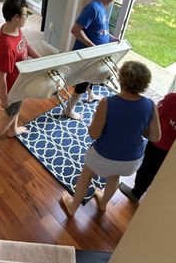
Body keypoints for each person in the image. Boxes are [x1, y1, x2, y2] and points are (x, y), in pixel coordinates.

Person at [61, 61, 161, 216]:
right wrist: (138, 129)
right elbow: (155, 136)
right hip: (131, 161)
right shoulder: (150, 104)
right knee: (114, 177)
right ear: (145, 84)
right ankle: (103, 203)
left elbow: (93, 134)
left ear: (121, 80)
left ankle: (73, 206)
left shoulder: (107, 102)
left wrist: (95, 119)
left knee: (86, 175)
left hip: (103, 156)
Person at [0, 0, 40, 153]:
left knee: (15, 110)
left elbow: (25, 44)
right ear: (16, 17)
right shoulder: (5, 46)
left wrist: (39, 59)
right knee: (10, 113)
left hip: (18, 82)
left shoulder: (13, 28)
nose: (27, 17)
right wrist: (5, 100)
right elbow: (1, 77)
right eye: (26, 15)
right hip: (11, 87)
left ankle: (13, 131)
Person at [66, 0, 121, 120]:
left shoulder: (103, 8)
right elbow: (75, 30)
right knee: (83, 82)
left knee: (94, 75)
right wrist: (92, 47)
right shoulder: (93, 8)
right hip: (87, 54)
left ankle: (90, 95)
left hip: (96, 54)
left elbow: (100, 31)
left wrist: (112, 39)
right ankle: (69, 110)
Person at [119, 92, 176, 202]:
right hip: (170, 151)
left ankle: (136, 193)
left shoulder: (172, 99)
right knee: (157, 170)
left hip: (158, 143)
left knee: (146, 168)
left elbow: (155, 114)